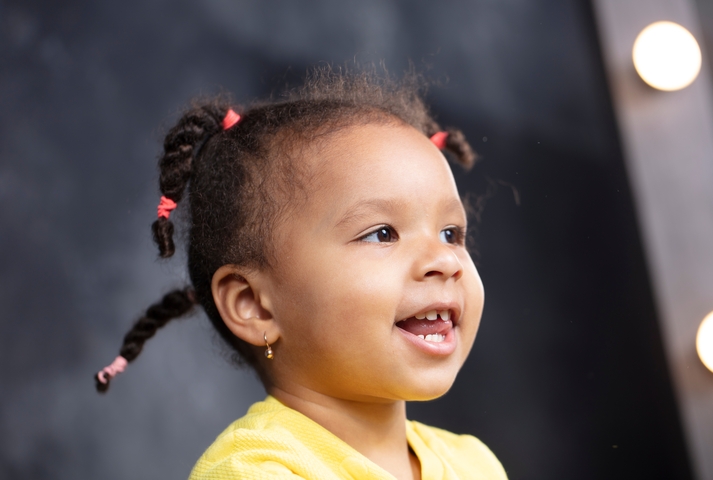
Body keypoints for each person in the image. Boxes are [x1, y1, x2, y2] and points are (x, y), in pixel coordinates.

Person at [94, 66, 508, 480]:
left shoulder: (474, 464)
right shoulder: (252, 471)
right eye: (382, 234)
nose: (446, 259)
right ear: (254, 305)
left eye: (451, 233)